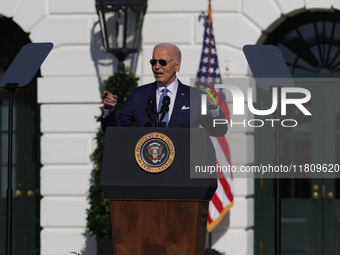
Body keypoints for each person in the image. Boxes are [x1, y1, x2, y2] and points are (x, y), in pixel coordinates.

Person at [101, 43, 227, 137]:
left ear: (177, 65)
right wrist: (108, 109)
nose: (156, 67)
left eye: (162, 62)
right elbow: (113, 129)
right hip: (148, 165)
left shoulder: (194, 96)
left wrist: (213, 109)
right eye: (153, 62)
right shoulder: (139, 95)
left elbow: (219, 131)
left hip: (182, 167)